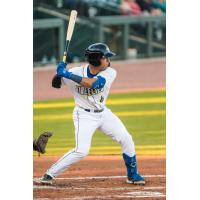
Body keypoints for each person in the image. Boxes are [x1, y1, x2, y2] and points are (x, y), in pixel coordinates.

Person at [39, 43, 145, 185]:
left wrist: (67, 74)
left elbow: (93, 84)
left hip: (104, 114)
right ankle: (49, 175)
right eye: (106, 57)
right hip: (84, 116)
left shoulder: (109, 72)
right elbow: (56, 84)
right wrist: (58, 74)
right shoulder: (76, 72)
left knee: (126, 139)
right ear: (98, 60)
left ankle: (133, 175)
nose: (108, 60)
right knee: (81, 150)